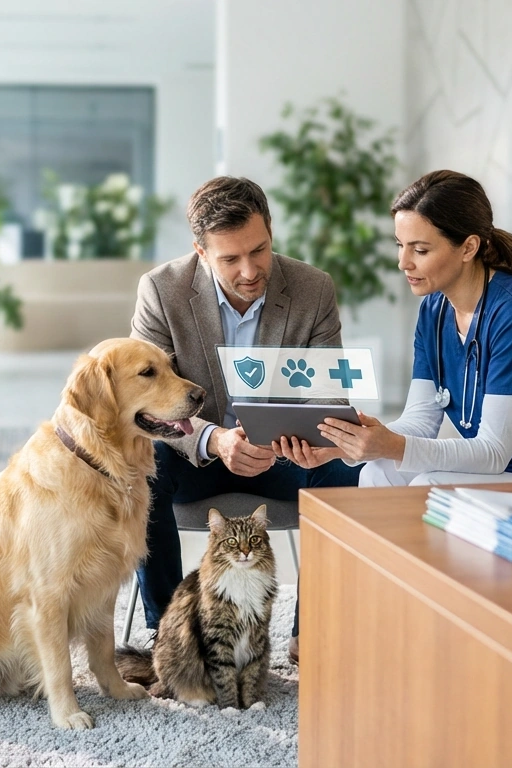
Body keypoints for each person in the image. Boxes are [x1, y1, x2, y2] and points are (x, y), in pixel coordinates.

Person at [276, 169, 512, 486]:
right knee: (377, 471)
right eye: (400, 246)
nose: (403, 262)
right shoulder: (434, 310)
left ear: (468, 247)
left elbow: (493, 451)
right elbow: (420, 422)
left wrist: (393, 445)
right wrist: (350, 444)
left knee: (428, 484)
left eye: (420, 250)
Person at [130, 176, 361, 663]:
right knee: (140, 464)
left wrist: (301, 437)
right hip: (192, 452)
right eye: (230, 259)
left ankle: (311, 631)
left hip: (281, 455)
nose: (251, 270)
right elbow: (147, 404)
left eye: (259, 250)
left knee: (358, 475)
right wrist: (215, 441)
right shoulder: (160, 291)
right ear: (200, 250)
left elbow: (327, 395)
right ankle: (171, 634)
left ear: (271, 231)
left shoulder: (312, 289)